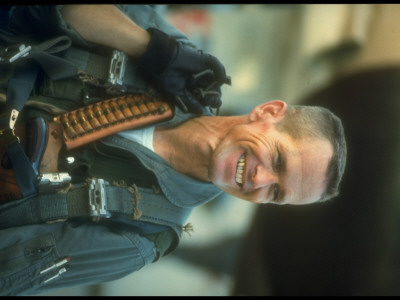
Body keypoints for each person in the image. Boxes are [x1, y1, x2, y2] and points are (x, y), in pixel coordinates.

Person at [0, 5, 347, 296]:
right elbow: (68, 11)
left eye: (275, 192)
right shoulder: (183, 69)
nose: (260, 179)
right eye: (279, 160)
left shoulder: (142, 238)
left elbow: (8, 269)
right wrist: (148, 48)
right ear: (268, 113)